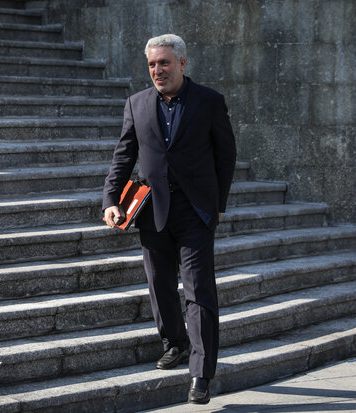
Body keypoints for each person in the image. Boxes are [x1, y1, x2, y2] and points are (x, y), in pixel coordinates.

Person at [102, 34, 237, 404]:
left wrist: (218, 203)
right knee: (160, 285)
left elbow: (226, 156)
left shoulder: (209, 102)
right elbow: (123, 156)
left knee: (198, 290)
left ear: (181, 63)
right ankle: (175, 343)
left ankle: (201, 374)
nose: (157, 70)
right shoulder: (137, 103)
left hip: (195, 211)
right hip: (152, 211)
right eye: (151, 65)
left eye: (164, 63)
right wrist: (110, 199)